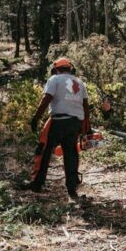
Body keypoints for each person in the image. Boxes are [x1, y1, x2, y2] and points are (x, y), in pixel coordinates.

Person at [26, 57, 90, 200]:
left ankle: (37, 183)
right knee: (71, 154)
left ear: (56, 69)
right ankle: (72, 188)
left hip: (58, 121)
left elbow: (46, 99)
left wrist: (36, 117)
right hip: (75, 123)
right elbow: (85, 105)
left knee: (44, 149)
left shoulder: (54, 79)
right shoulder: (80, 82)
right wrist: (86, 126)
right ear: (70, 68)